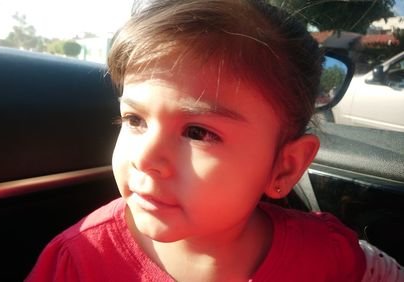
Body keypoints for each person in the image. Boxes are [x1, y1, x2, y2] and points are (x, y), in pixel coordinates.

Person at [26, 0, 402, 281]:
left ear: (284, 166)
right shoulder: (79, 260)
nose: (145, 158)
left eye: (198, 132)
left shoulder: (327, 254)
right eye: (134, 119)